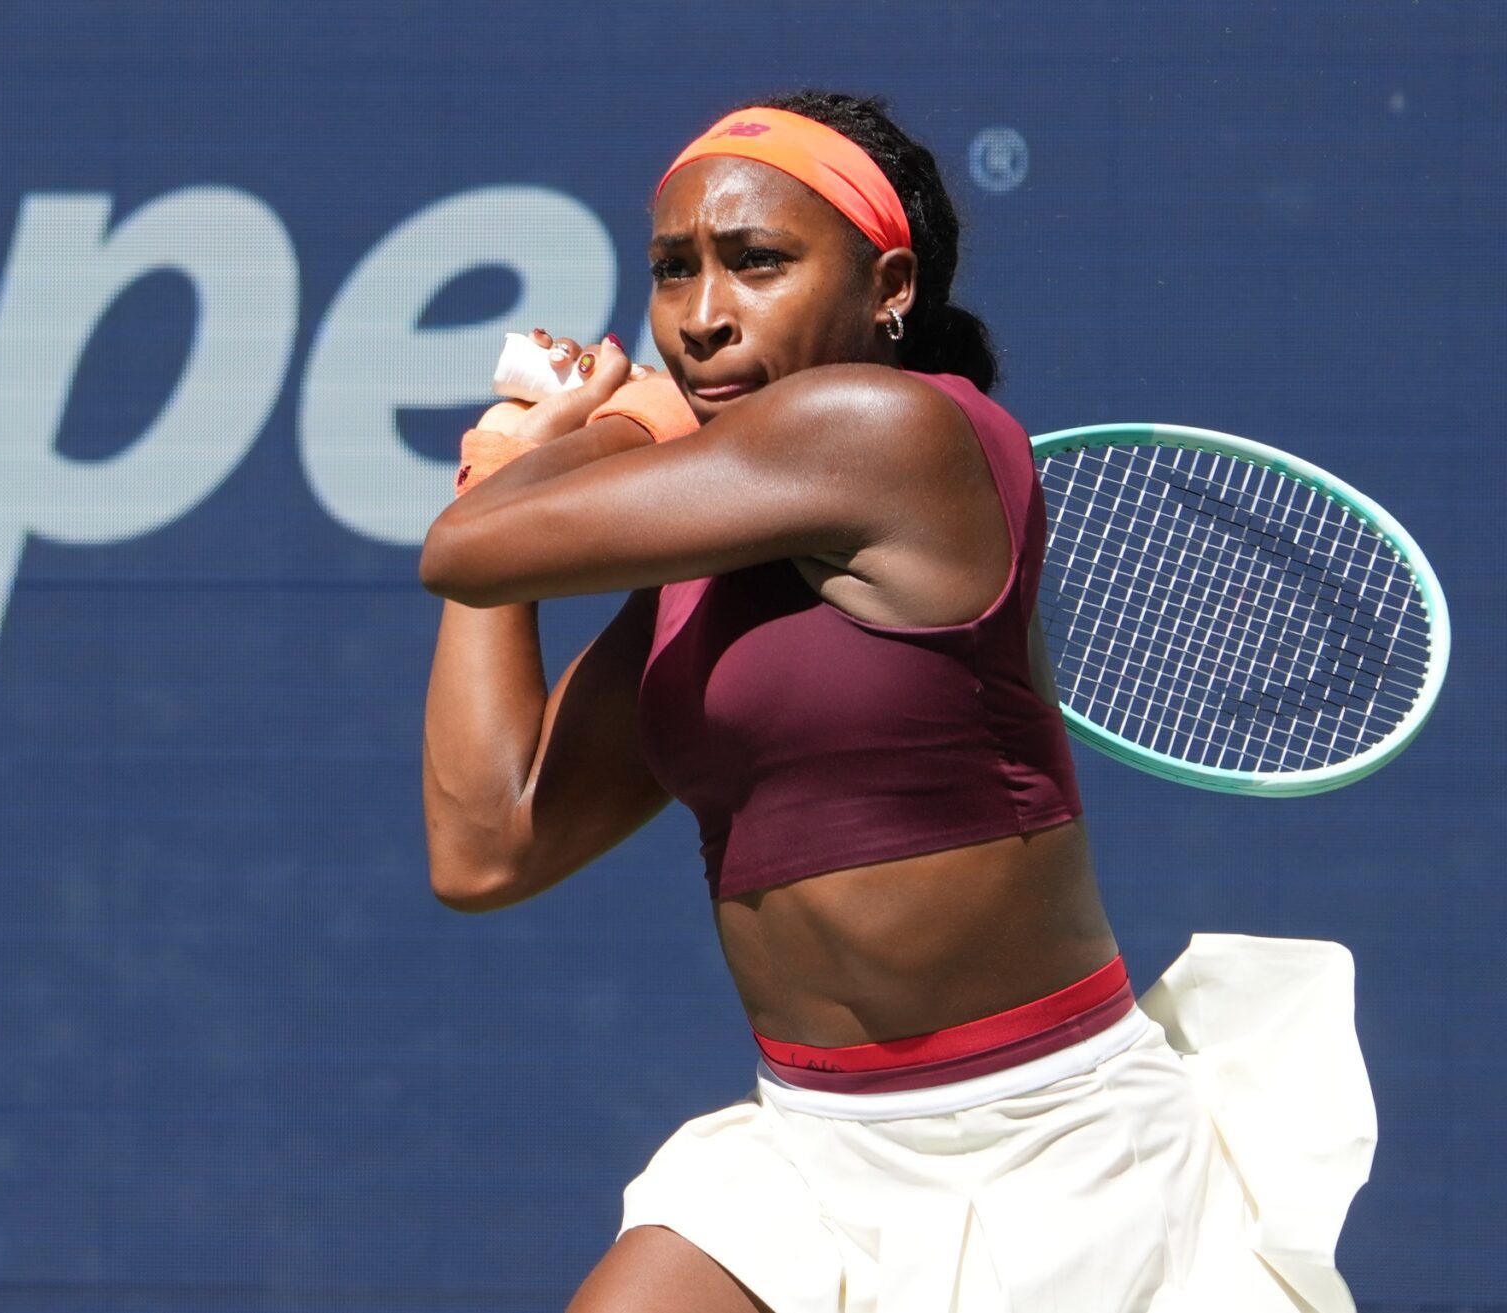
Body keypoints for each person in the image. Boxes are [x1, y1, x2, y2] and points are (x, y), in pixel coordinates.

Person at [419, 90, 1373, 1313]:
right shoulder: (707, 542)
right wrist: (504, 475)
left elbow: (467, 545)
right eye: (673, 270)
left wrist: (603, 429)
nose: (702, 317)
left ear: (889, 285)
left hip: (1059, 1154)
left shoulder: (891, 431)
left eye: (756, 262)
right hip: (807, 1152)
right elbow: (489, 841)